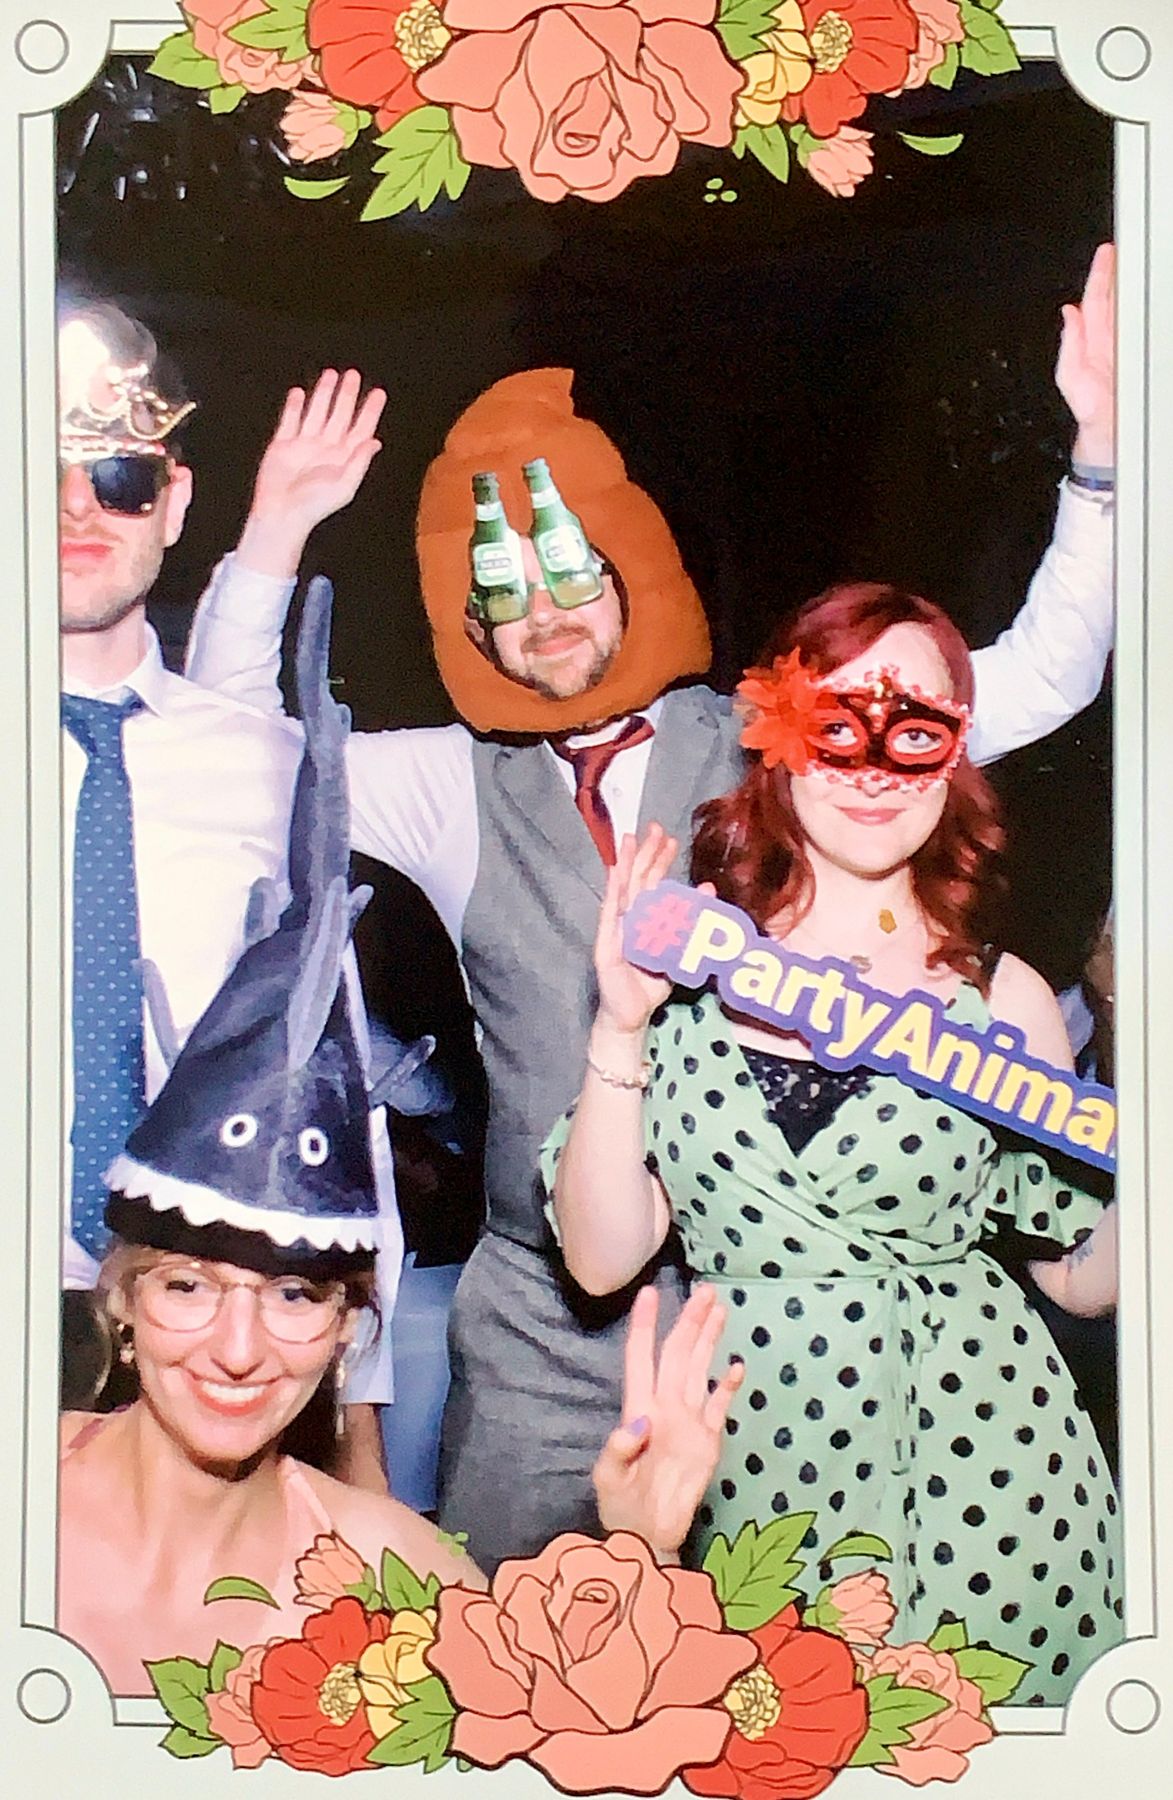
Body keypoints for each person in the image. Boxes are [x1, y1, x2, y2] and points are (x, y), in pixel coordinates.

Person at [182, 246, 1117, 1571]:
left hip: (766, 1304)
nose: (546, 617)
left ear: (626, 561)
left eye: (569, 569)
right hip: (537, 1319)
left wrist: (1101, 470)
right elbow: (233, 754)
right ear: (467, 622)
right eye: (499, 594)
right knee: (500, 1654)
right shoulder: (447, 784)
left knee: (771, 1670)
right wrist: (275, 528)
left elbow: (1031, 682)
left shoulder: (768, 733)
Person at [58, 577, 740, 1693]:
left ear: (351, 1330)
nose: (240, 1347)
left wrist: (639, 1549)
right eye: (189, 1288)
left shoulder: (396, 1576)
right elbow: (268, 762)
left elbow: (541, 1716)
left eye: (295, 1297)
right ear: (119, 1298)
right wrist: (273, 536)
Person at [546, 580, 1120, 1706]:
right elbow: (602, 1259)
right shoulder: (686, 973)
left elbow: (1082, 1279)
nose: (871, 764)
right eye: (835, 720)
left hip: (991, 1481)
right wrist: (619, 1022)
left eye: (916, 731)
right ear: (776, 735)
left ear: (953, 759)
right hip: (750, 1471)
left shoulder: (1003, 998)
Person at [55, 295, 400, 1488]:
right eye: (36, 470)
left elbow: (326, 1060)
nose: (75, 510)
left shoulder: (260, 760)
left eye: (118, 477)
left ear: (175, 503)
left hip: (214, 1334)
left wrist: (360, 1413)